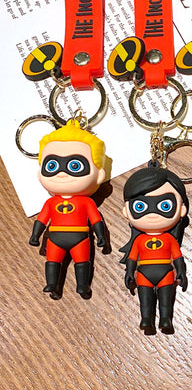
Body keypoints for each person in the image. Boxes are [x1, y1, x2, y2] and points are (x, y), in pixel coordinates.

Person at [29, 119, 109, 299]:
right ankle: (51, 284)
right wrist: (35, 236)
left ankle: (83, 285)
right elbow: (41, 220)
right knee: (52, 260)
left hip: (80, 237)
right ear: (40, 174)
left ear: (99, 175)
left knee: (82, 261)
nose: (62, 173)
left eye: (75, 166)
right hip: (55, 237)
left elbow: (96, 220)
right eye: (52, 165)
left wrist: (101, 236)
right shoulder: (51, 202)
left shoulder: (86, 202)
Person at [120, 165, 189, 335]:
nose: (152, 214)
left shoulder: (169, 239)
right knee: (145, 300)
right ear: (126, 211)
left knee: (166, 300)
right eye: (140, 206)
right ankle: (146, 319)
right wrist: (129, 272)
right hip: (144, 273)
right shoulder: (140, 240)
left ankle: (166, 320)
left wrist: (181, 271)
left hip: (165, 272)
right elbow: (132, 258)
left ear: (181, 209)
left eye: (165, 205)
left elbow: (178, 257)